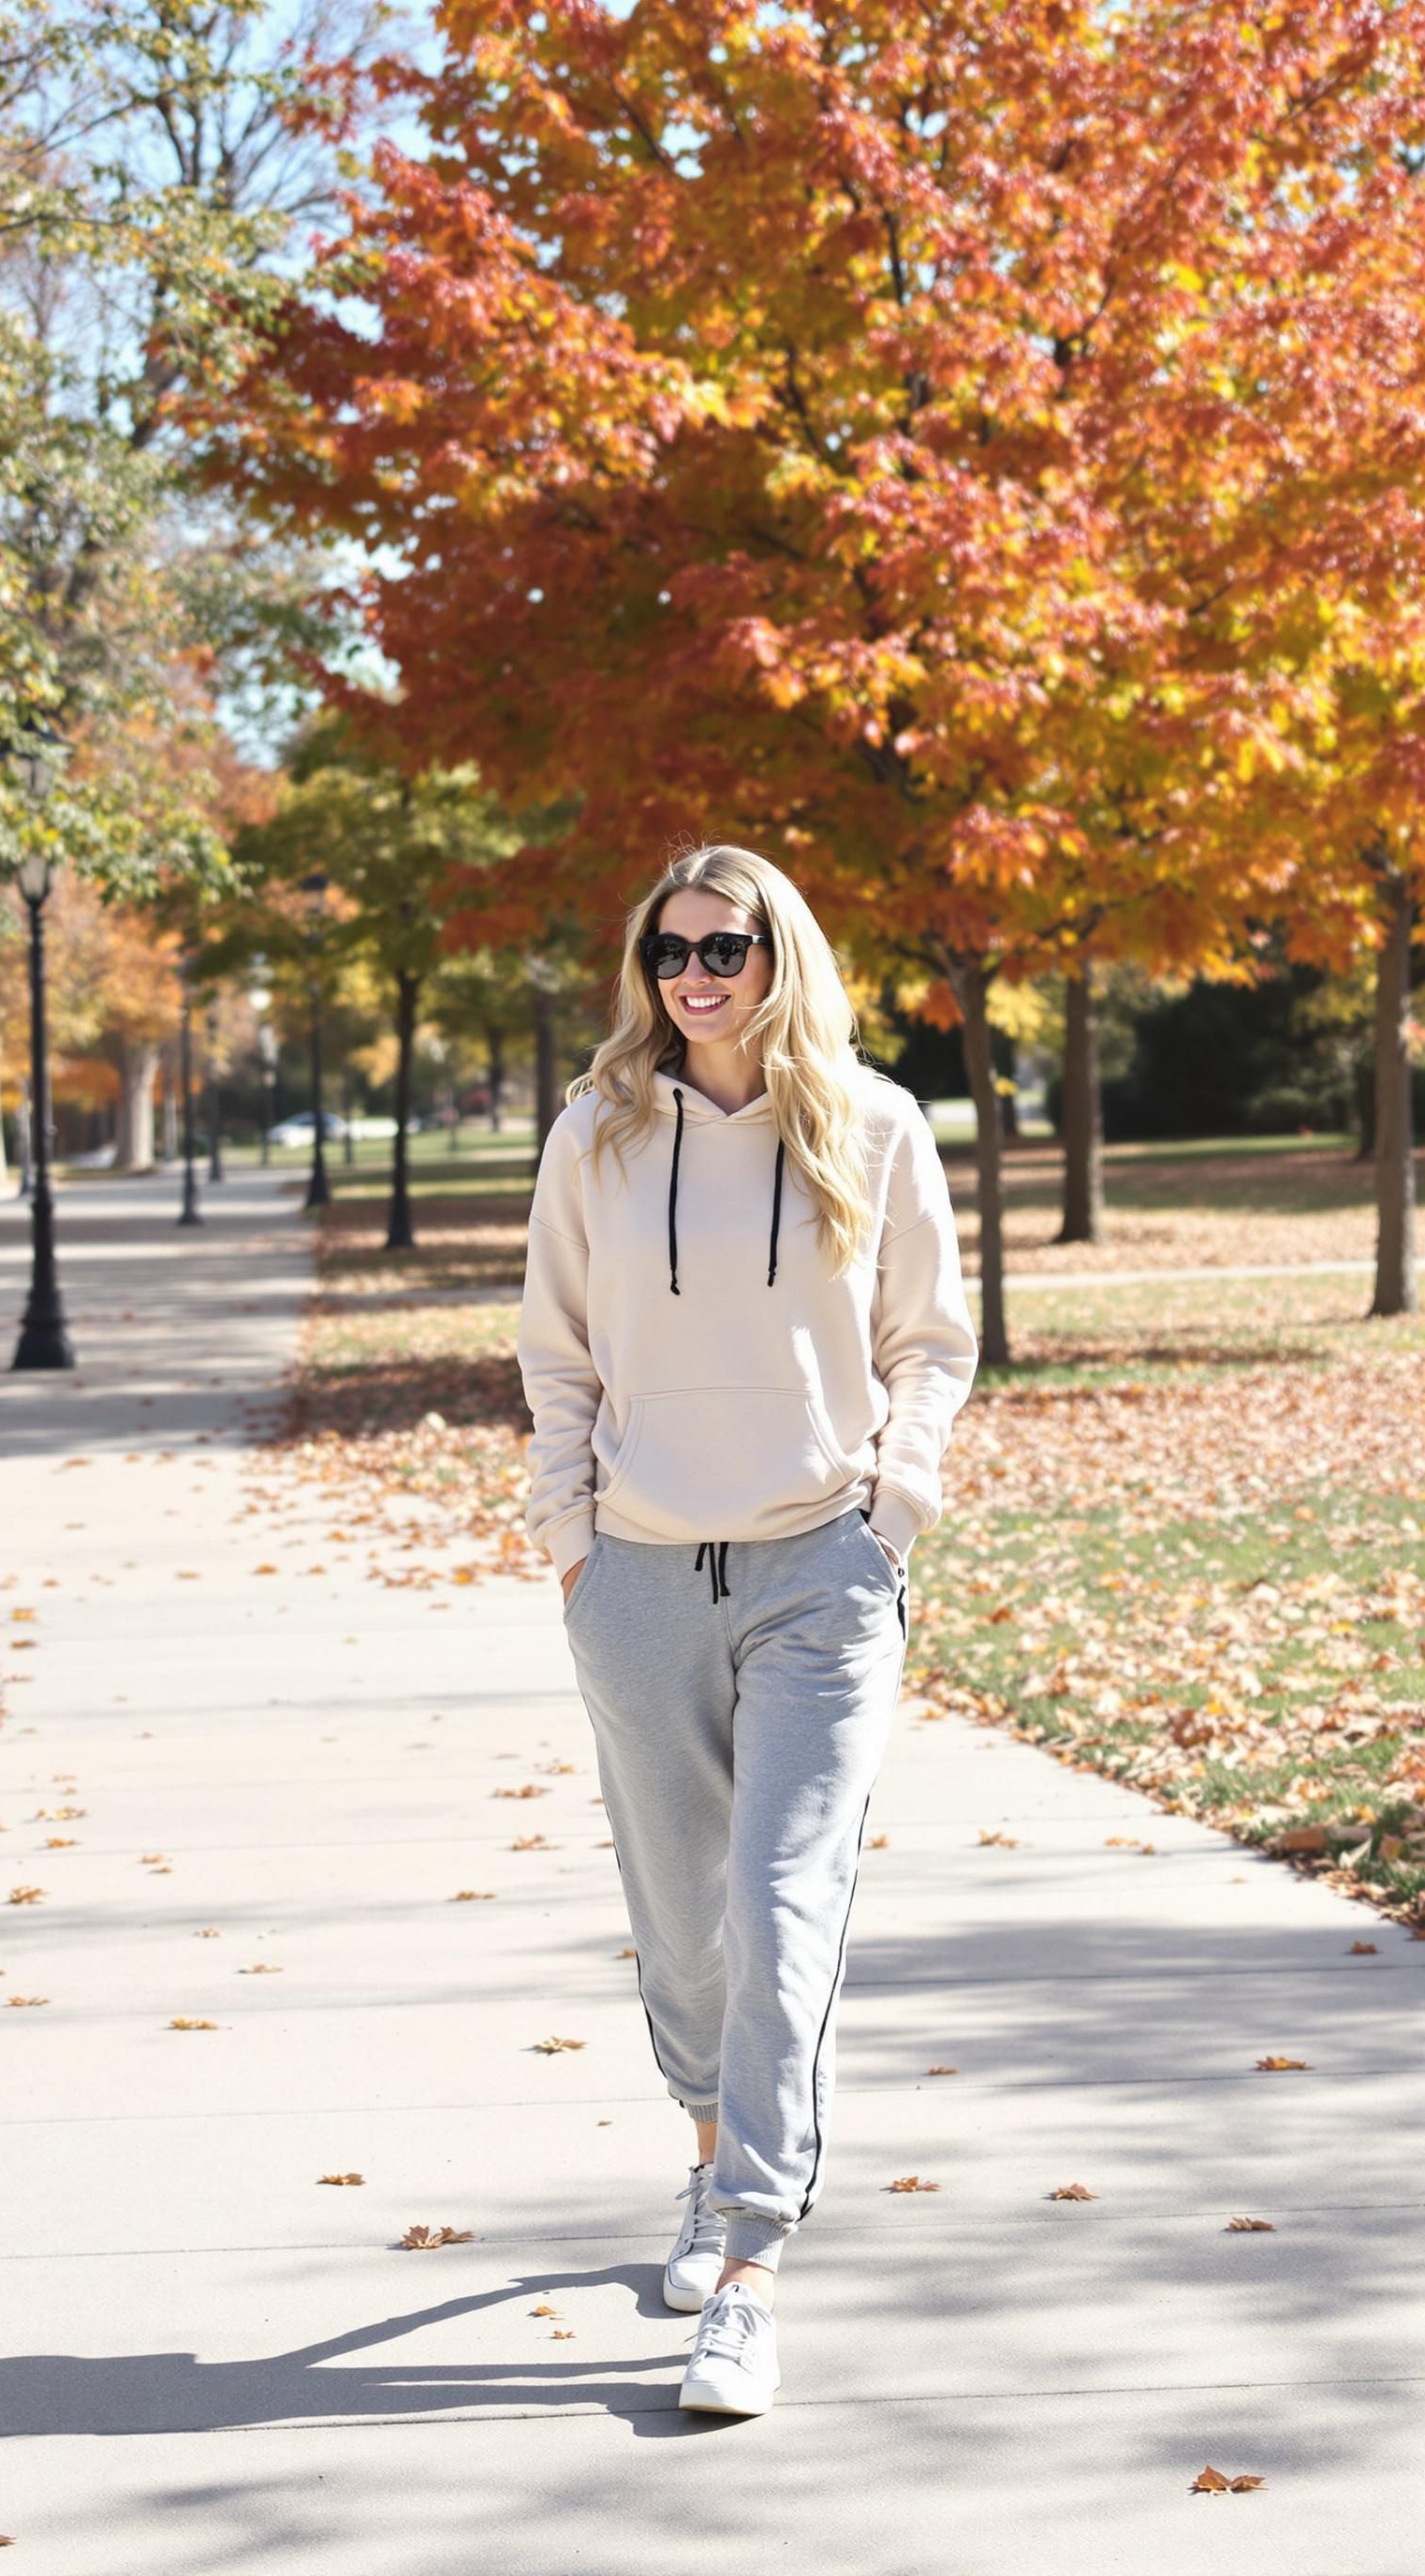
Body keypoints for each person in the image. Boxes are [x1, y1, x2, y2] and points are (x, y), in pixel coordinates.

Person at [516, 842, 978, 2417]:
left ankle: (755, 2262)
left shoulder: (875, 1123)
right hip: (637, 1575)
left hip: (817, 1580)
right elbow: (555, 1355)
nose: (695, 977)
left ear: (782, 953)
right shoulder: (599, 1130)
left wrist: (891, 1512)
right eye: (670, 954)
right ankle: (708, 2159)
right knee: (685, 1920)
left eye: (724, 949)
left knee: (784, 1910)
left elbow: (931, 1342)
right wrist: (571, 1540)